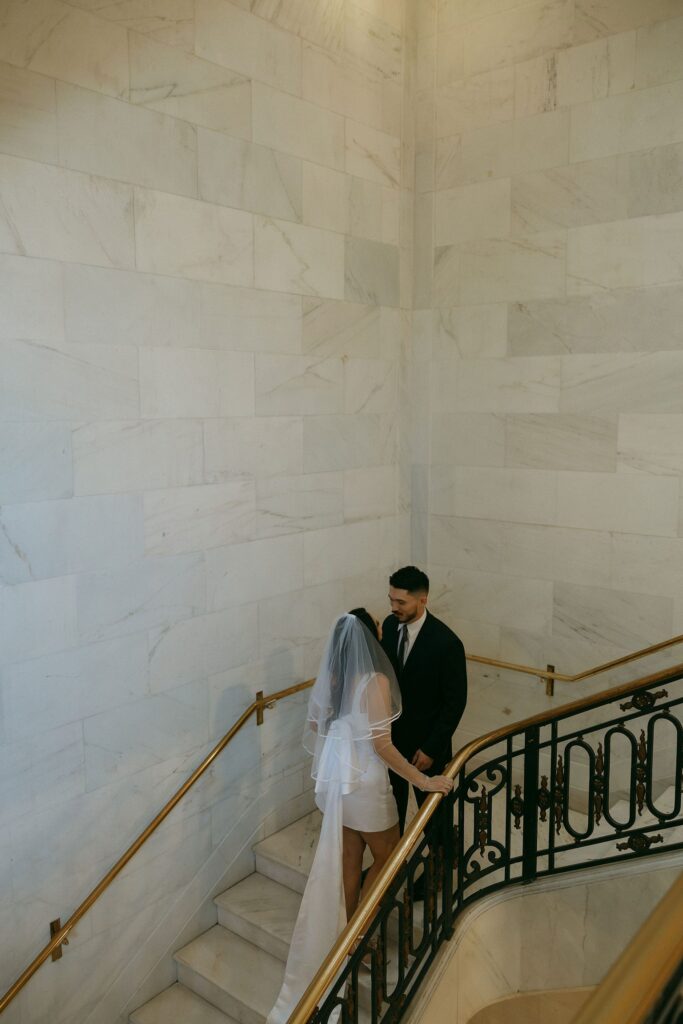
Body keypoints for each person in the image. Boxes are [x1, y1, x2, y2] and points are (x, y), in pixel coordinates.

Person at [267, 609, 453, 1024]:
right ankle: (362, 936)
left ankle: (348, 938)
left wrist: (343, 741)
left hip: (343, 787)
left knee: (351, 861)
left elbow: (317, 723)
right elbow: (384, 746)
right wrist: (422, 781)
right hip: (367, 783)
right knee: (390, 858)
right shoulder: (375, 680)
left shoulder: (333, 678)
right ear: (375, 637)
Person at [381, 566, 468, 841]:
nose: (394, 607)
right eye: (391, 600)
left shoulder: (447, 643)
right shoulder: (389, 626)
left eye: (401, 602)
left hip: (427, 747)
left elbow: (455, 703)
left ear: (423, 600)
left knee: (433, 818)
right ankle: (392, 868)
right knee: (390, 811)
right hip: (392, 742)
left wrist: (431, 748)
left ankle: (440, 870)